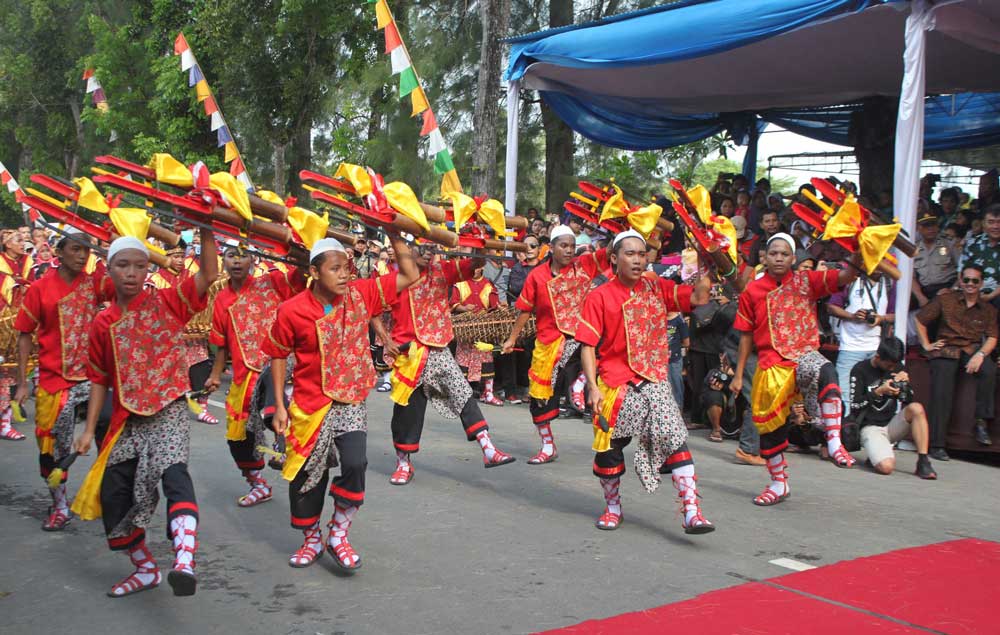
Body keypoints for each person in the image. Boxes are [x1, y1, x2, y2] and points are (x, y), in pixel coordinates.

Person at [70, 228, 218, 598]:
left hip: (167, 407)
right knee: (114, 493)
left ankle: (184, 558)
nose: (132, 273)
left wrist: (206, 226)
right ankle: (146, 568)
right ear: (109, 270)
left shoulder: (168, 302)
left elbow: (208, 275)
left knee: (174, 475)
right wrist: (89, 428)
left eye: (140, 265)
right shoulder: (102, 324)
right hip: (127, 418)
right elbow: (101, 377)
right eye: (123, 266)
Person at [262, 233, 417, 571]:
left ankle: (339, 533)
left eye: (347, 267)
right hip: (308, 403)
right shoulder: (292, 310)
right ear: (315, 273)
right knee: (308, 474)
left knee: (356, 462)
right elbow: (276, 354)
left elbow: (410, 275)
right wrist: (278, 404)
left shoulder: (361, 294)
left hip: (350, 400)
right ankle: (311, 540)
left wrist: (390, 230)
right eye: (336, 269)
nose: (345, 274)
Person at [576, 230, 715, 534]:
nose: (638, 259)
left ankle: (692, 511)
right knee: (608, 450)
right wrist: (593, 386)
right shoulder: (599, 296)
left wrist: (708, 261)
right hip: (616, 384)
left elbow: (698, 297)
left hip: (653, 379)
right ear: (614, 258)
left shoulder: (656, 286)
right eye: (630, 254)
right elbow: (587, 344)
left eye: (642, 254)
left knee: (673, 434)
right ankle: (613, 507)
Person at [731, 233, 863, 506]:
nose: (778, 257)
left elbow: (845, 277)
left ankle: (834, 441)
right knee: (770, 430)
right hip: (771, 365)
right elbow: (745, 335)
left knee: (825, 370)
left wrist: (860, 250)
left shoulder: (807, 281)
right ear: (764, 258)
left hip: (803, 356)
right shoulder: (752, 291)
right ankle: (779, 484)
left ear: (793, 258)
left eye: (784, 253)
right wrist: (737, 373)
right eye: (773, 253)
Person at [386, 242, 516, 486]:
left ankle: (488, 449)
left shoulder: (441, 272)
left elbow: (474, 264)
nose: (427, 253)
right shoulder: (394, 279)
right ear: (408, 251)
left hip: (437, 347)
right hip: (408, 353)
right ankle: (403, 462)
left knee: (462, 392)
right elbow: (373, 310)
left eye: (431, 249)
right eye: (421, 248)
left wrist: (481, 245)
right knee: (407, 409)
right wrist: (384, 339)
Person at [13, 232, 111, 531]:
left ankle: (108, 495)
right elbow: (24, 334)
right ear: (60, 252)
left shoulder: (93, 283)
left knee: (111, 430)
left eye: (86, 251)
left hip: (92, 376)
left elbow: (120, 282)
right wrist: (22, 382)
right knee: (51, 445)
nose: (82, 256)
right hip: (55, 378)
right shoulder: (40, 289)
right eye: (76, 250)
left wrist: (107, 251)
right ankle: (59, 504)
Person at [203, 243, 306, 508]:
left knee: (275, 405)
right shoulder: (221, 299)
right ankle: (258, 483)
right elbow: (221, 343)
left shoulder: (271, 283)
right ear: (223, 260)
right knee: (237, 438)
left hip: (278, 367)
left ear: (253, 260)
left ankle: (283, 447)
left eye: (243, 256)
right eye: (231, 256)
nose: (237, 261)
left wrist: (292, 247)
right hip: (242, 375)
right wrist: (215, 376)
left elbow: (304, 272)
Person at [502, 225, 610, 464]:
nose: (569, 250)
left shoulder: (584, 266)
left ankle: (583, 382)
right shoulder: (537, 276)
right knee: (539, 400)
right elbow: (524, 309)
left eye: (572, 246)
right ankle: (548, 445)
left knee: (592, 353)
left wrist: (623, 230)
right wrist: (512, 338)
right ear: (550, 248)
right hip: (548, 343)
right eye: (564, 245)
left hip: (581, 338)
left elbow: (611, 251)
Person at [915, 265, 997, 457]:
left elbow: (992, 337)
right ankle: (936, 445)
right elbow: (920, 320)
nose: (970, 284)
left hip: (972, 349)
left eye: (975, 281)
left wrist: (981, 355)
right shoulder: (946, 299)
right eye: (966, 280)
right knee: (942, 390)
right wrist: (927, 344)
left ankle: (981, 422)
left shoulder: (987, 309)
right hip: (947, 348)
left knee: (990, 370)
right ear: (960, 280)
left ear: (981, 284)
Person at [148, 239, 218, 424]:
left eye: (181, 256)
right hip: (168, 336)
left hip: (193, 334)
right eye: (175, 257)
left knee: (201, 369)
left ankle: (202, 408)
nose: (179, 261)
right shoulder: (156, 279)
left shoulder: (193, 275)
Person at [849, 337, 937, 479]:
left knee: (916, 408)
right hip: (869, 427)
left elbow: (907, 400)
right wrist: (878, 392)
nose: (892, 369)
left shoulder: (897, 367)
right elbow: (855, 406)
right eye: (889, 366)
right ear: (878, 357)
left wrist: (905, 387)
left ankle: (923, 461)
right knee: (886, 467)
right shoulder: (860, 369)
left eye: (894, 366)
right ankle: (876, 456)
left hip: (891, 425)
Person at [827, 271, 895, 414]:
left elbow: (897, 314)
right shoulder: (851, 279)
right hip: (850, 347)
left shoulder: (889, 283)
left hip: (877, 349)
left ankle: (865, 428)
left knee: (874, 391)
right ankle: (845, 428)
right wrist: (853, 316)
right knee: (844, 393)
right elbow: (831, 307)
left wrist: (880, 319)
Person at [451, 263, 501, 404]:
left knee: (486, 359)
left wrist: (499, 307)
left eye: (477, 267)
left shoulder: (488, 285)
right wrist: (464, 308)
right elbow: (453, 303)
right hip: (465, 328)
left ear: (482, 268)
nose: (474, 270)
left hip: (483, 329)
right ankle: (459, 392)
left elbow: (494, 306)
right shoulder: (460, 284)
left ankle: (488, 393)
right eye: (471, 267)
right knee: (462, 360)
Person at [912, 212, 959, 306]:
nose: (930, 229)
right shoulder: (914, 249)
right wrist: (920, 297)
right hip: (925, 291)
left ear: (938, 226)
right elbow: (911, 278)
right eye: (926, 226)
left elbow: (962, 271)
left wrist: (953, 289)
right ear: (918, 228)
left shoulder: (949, 244)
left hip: (947, 288)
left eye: (933, 225)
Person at [958, 204, 1000, 307]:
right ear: (983, 224)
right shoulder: (972, 243)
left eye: (999, 222)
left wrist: (990, 296)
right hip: (971, 290)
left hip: (996, 294)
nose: (995, 226)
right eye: (991, 222)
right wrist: (969, 292)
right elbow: (961, 272)